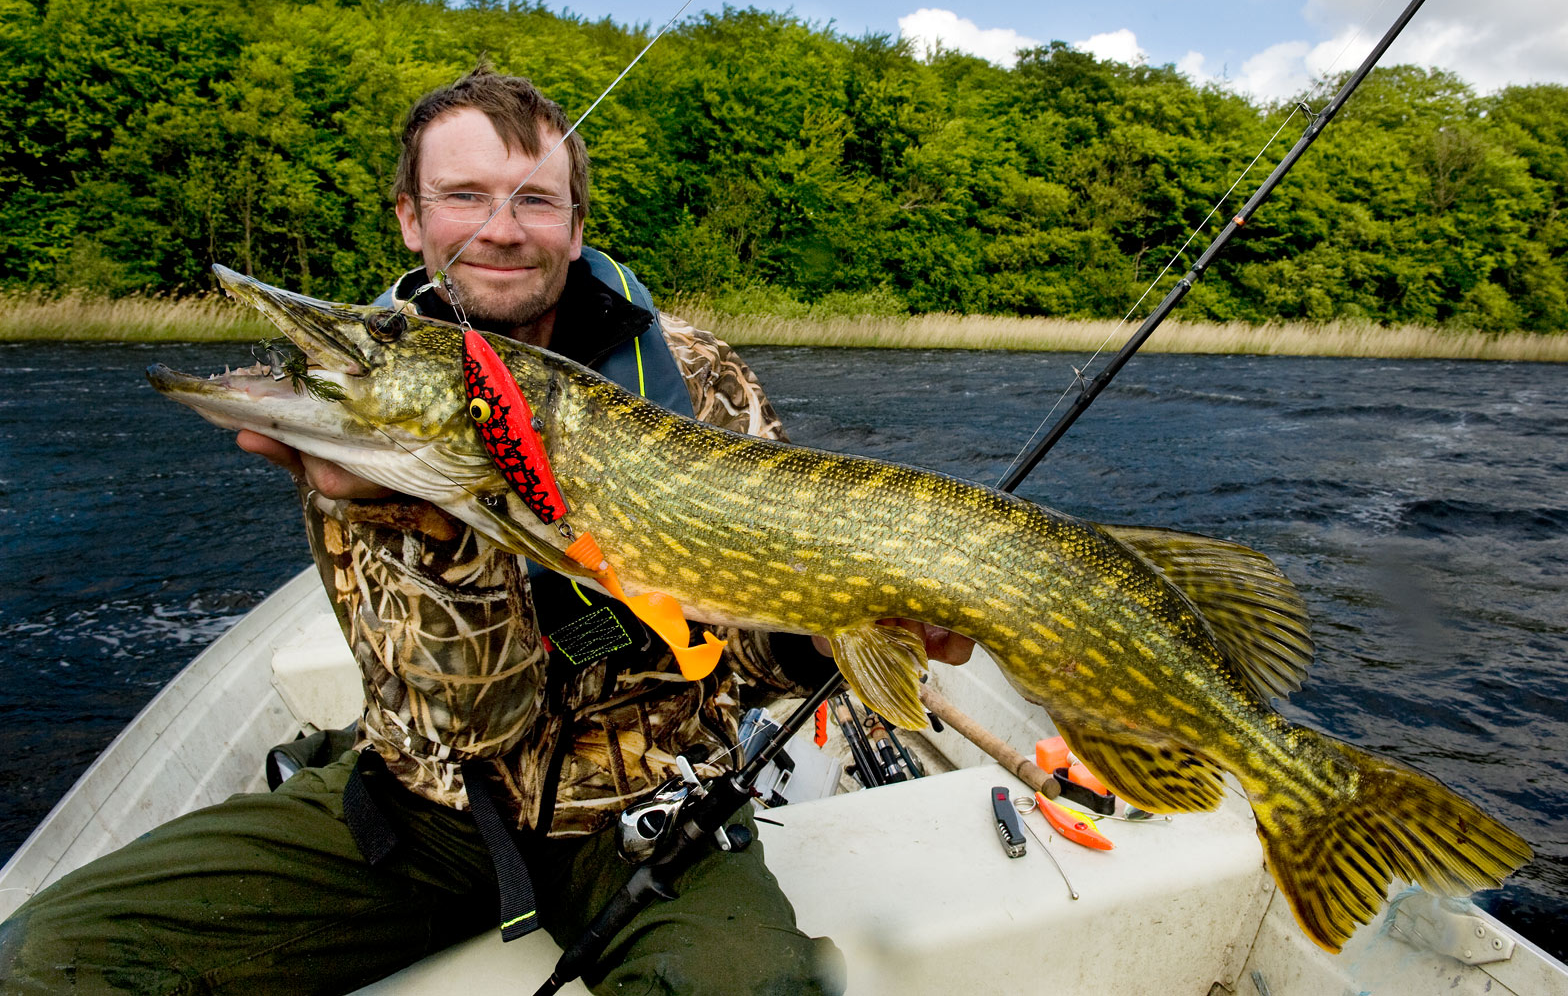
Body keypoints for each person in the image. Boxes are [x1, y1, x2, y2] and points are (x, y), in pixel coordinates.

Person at [0, 66, 970, 995]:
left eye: (535, 201)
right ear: (410, 218)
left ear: (578, 224)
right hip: (429, 800)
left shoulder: (695, 373)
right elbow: (475, 714)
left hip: (652, 795)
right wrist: (402, 512)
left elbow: (753, 653)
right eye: (464, 196)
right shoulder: (375, 401)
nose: (502, 232)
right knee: (42, 958)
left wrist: (844, 626)